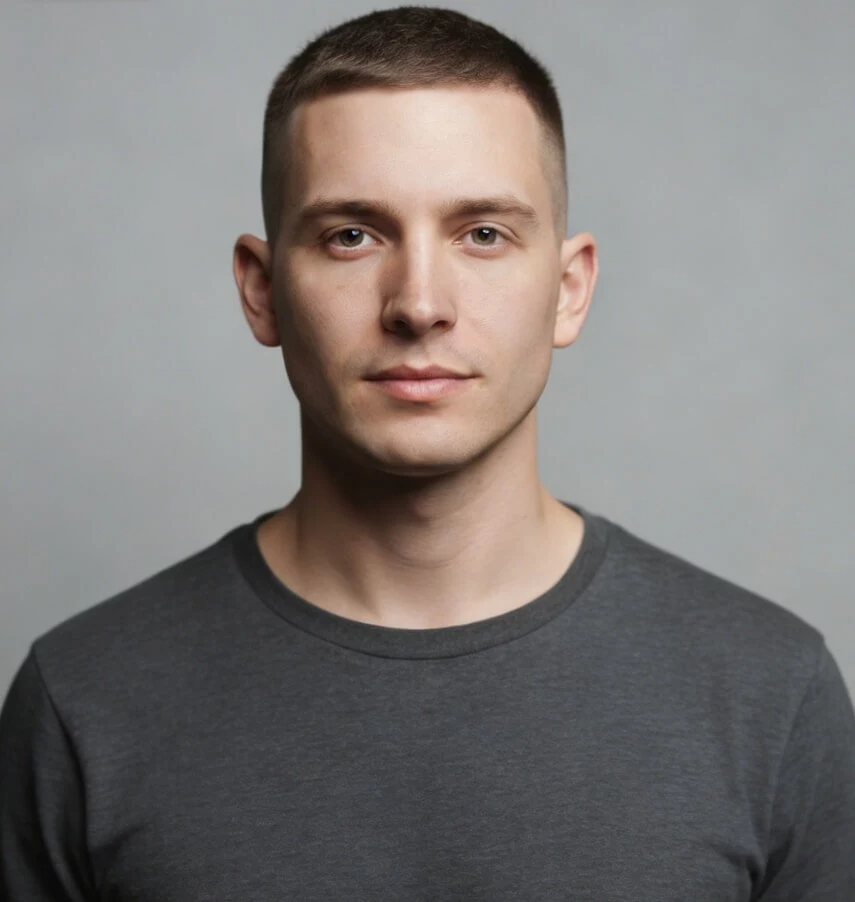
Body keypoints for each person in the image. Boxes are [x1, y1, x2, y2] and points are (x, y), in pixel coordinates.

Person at [1, 6, 853, 899]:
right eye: (351, 235)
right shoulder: (84, 704)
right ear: (262, 292)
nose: (418, 304)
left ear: (567, 291)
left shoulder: (769, 696)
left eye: (482, 233)